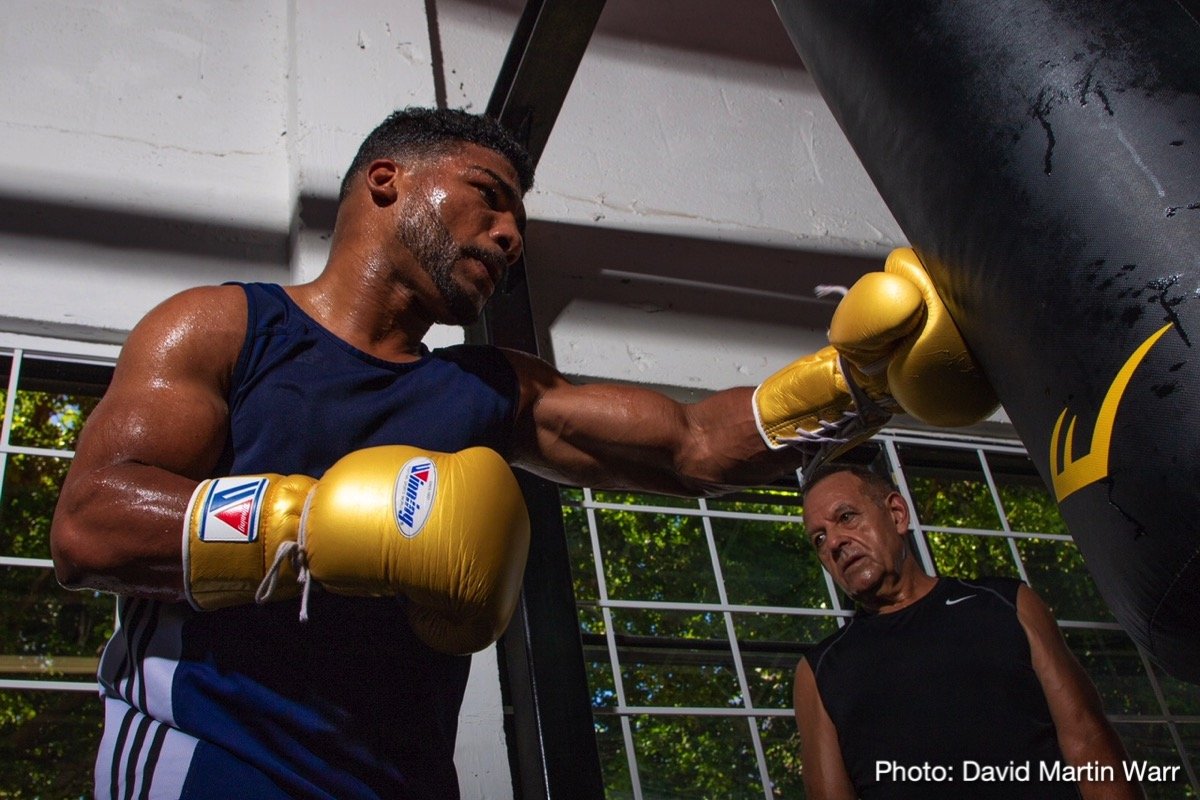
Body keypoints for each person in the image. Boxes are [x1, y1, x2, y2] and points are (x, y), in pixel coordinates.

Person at [49, 106, 986, 799]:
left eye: (520, 221)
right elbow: (89, 526)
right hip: (214, 760)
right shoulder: (224, 327)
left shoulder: (488, 387)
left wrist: (855, 382)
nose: (512, 235)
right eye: (490, 199)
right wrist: (310, 524)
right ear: (388, 183)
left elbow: (695, 445)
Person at [793, 464, 1143, 800]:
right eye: (819, 539)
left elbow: (1088, 743)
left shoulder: (1008, 604)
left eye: (846, 517)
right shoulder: (820, 670)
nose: (835, 542)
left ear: (897, 514)